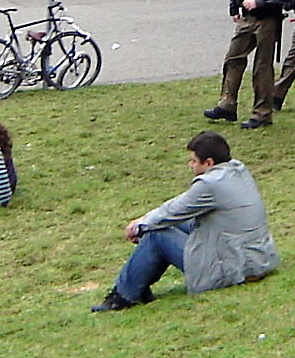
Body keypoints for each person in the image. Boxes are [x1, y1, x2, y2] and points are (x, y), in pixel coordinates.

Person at [91, 131, 279, 312]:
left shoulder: (209, 185)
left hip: (232, 268)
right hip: (257, 258)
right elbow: (181, 207)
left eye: (193, 161)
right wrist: (148, 221)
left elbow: (174, 211)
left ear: (208, 163)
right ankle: (139, 284)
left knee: (156, 235)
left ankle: (122, 296)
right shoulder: (238, 170)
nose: (190, 165)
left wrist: (140, 225)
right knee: (162, 224)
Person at [203, 0, 292, 129]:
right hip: (246, 19)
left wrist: (260, 2)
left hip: (267, 19)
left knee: (262, 68)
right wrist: (234, 5)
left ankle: (262, 113)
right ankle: (227, 104)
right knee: (233, 58)